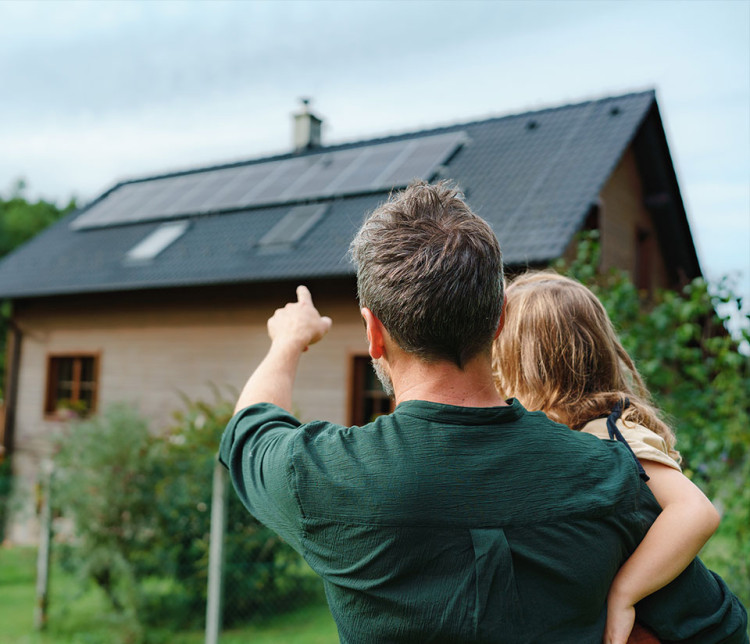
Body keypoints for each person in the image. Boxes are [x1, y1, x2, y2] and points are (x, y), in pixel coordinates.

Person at [219, 181, 747, 643]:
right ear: (497, 321)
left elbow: (251, 426)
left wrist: (288, 341)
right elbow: (720, 628)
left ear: (374, 333)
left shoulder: (321, 476)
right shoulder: (607, 474)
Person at [492, 271, 725, 644]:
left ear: (526, 366)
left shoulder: (612, 433)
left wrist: (624, 594)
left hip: (693, 630)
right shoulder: (573, 433)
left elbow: (696, 512)